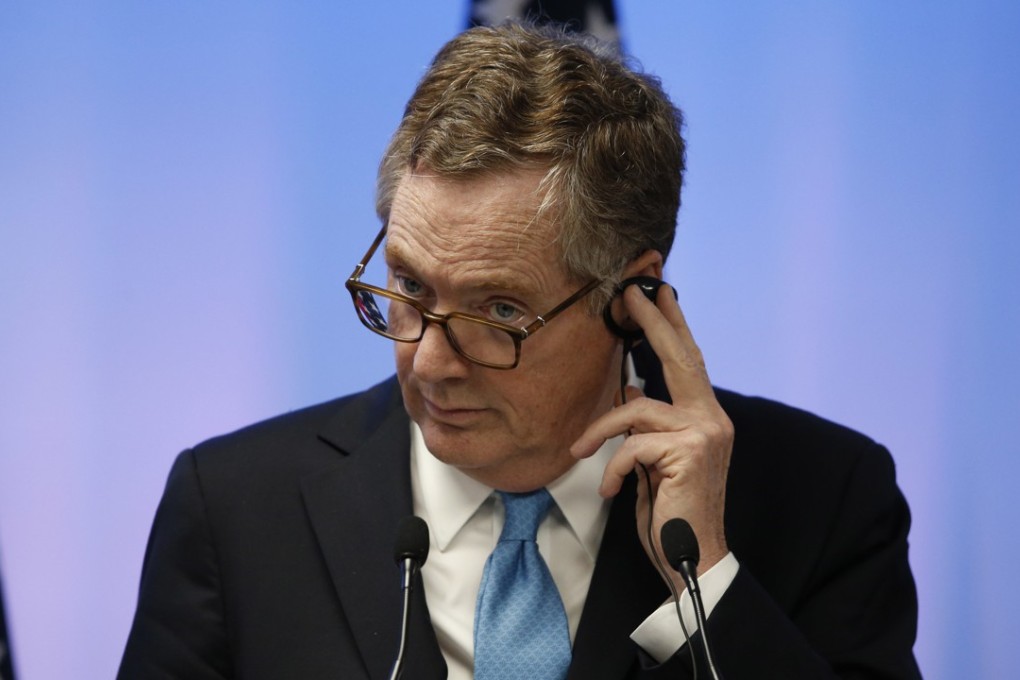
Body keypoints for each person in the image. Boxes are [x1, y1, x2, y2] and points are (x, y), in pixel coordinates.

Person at [118, 22, 921, 679]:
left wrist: (704, 582)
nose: (429, 364)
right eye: (409, 288)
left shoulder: (823, 499)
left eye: (499, 311)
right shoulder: (236, 506)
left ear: (632, 297)